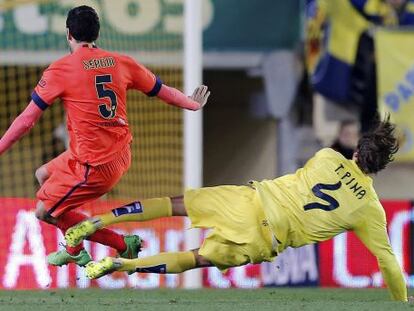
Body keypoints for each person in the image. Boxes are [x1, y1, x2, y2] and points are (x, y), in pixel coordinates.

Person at [66, 116, 406, 301]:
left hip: (250, 200)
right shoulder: (369, 209)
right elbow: (388, 262)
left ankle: (100, 219)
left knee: (175, 204)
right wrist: (400, 300)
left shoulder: (327, 157)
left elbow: (339, 159)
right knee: (195, 259)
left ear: (357, 152)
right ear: (379, 167)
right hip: (264, 238)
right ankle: (121, 264)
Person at [0, 5, 210, 267]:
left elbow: (26, 120)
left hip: (94, 166)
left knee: (44, 211)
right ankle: (77, 245)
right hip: (117, 154)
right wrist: (191, 104)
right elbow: (161, 89)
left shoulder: (60, 70)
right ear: (97, 34)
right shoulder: (121, 62)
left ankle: (116, 245)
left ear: (68, 34)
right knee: (43, 174)